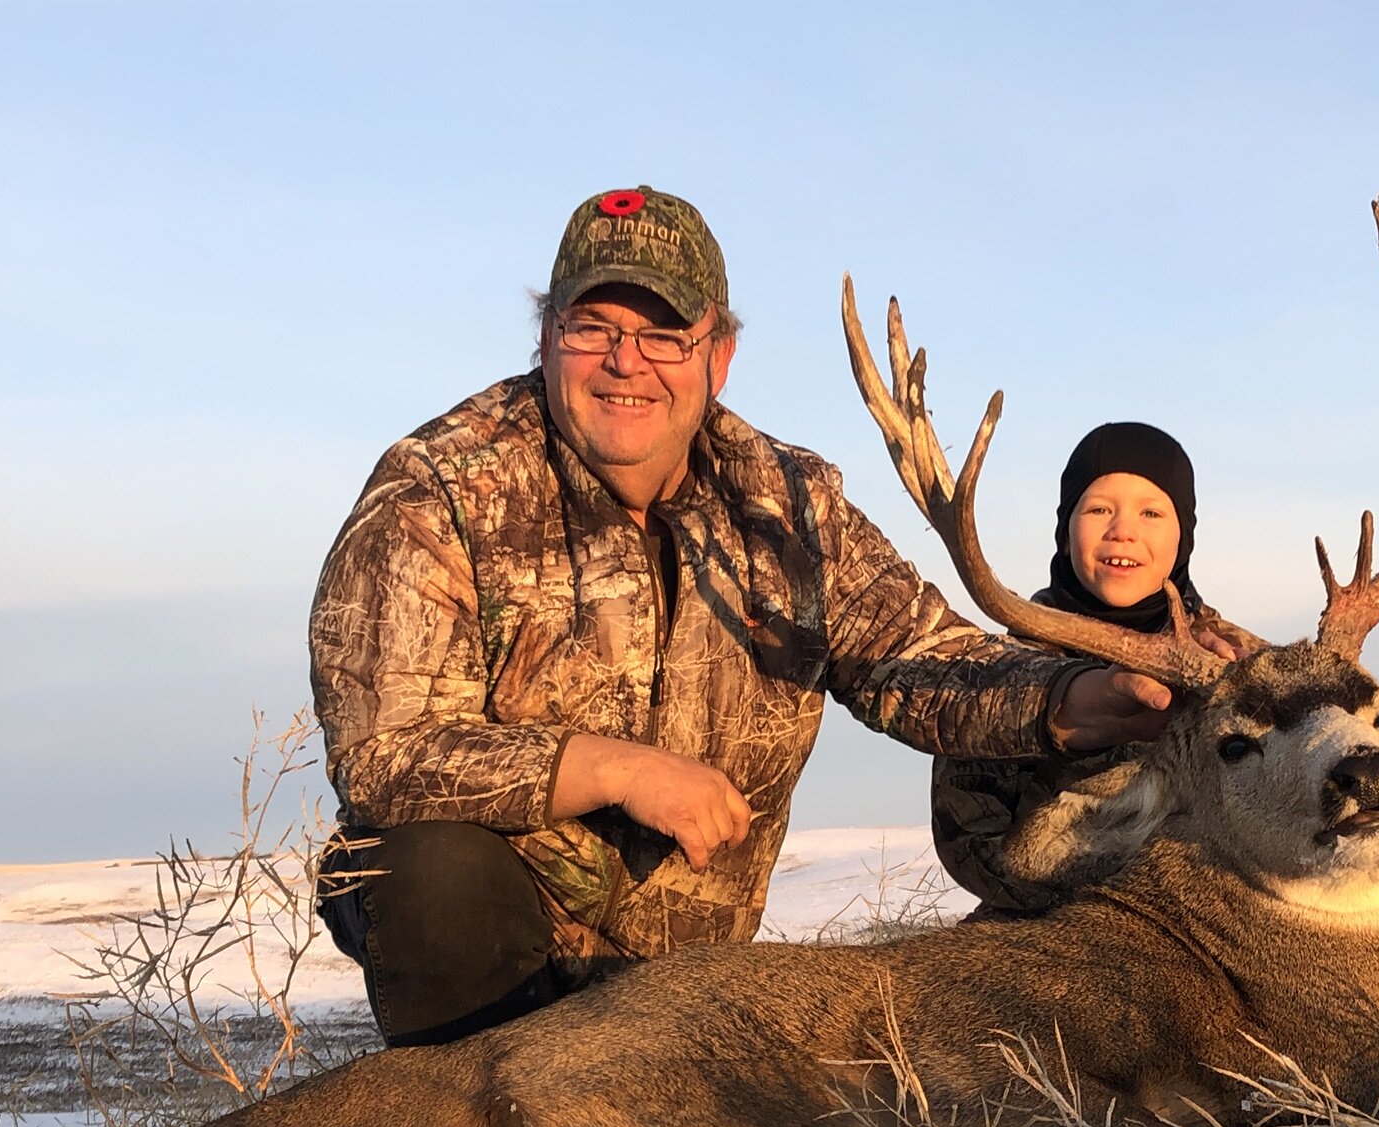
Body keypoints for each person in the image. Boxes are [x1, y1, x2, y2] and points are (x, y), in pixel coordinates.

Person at [309, 186, 1179, 1046]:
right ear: (546, 338)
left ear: (717, 356)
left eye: (662, 335)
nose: (626, 362)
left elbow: (920, 656)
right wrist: (616, 769)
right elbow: (386, 755)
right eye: (593, 328)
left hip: (682, 976)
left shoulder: (788, 502)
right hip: (497, 938)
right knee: (429, 870)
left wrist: (1081, 694)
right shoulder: (436, 489)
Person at [931, 422, 1255, 915]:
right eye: (1099, 508)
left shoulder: (1238, 660)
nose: (1123, 530)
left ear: (1183, 537)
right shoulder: (1004, 670)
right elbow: (970, 839)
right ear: (1066, 530)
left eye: (1152, 512)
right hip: (1052, 924)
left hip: (1222, 917)